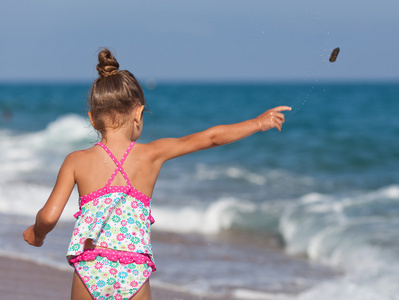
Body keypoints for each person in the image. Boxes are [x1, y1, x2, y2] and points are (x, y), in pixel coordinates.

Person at [23, 48, 291, 300]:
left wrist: (38, 234)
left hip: (90, 268)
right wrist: (258, 122)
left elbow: (48, 216)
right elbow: (210, 138)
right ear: (139, 113)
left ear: (93, 119)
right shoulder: (152, 154)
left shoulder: (76, 160)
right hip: (135, 271)